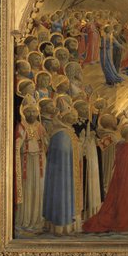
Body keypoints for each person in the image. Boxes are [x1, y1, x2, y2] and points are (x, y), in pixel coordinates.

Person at [83, 123, 128, 233]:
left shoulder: (123, 146)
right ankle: (124, 218)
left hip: (123, 180)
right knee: (124, 201)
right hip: (127, 182)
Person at [42, 97, 82, 236]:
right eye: (72, 116)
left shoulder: (67, 131)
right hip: (63, 174)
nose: (74, 118)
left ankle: (65, 225)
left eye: (75, 116)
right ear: (64, 117)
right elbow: (63, 154)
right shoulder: (61, 134)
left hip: (68, 173)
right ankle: (61, 225)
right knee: (62, 193)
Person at [14, 99, 48, 232]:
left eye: (34, 111)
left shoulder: (40, 126)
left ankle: (38, 220)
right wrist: (23, 140)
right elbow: (17, 144)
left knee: (39, 188)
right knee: (28, 189)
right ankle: (26, 220)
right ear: (24, 113)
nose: (32, 114)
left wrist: (45, 139)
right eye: (29, 111)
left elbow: (46, 143)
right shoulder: (21, 126)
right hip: (26, 161)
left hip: (39, 160)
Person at [97, 113, 119, 196]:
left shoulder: (106, 135)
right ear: (111, 124)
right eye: (114, 122)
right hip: (107, 162)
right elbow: (100, 148)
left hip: (109, 161)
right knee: (106, 181)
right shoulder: (109, 136)